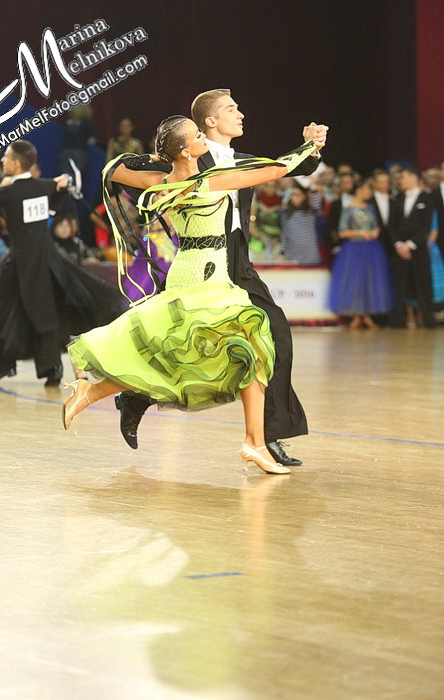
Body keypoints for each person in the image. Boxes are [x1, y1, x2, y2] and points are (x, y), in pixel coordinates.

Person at [63, 115, 326, 474]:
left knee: (178, 356)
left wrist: (154, 159)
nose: (204, 138)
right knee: (249, 350)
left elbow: (113, 168)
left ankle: (254, 443)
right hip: (209, 276)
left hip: (186, 270)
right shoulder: (212, 181)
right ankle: (254, 443)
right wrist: (310, 146)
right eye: (198, 135)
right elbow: (277, 169)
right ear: (188, 151)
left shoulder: (160, 182)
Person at [0, 140, 123, 385]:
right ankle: (53, 370)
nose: (2, 160)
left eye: (6, 157)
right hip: (47, 259)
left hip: (19, 260)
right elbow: (57, 194)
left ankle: (1, 367)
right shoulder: (44, 186)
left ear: (16, 163)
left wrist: (0, 189)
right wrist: (62, 183)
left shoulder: (9, 191)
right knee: (52, 313)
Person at [328, 179, 394, 329]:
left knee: (369, 280)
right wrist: (362, 233)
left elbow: (376, 225)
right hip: (354, 250)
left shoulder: (370, 208)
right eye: (367, 189)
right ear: (359, 190)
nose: (369, 193)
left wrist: (375, 232)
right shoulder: (349, 209)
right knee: (355, 281)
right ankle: (356, 316)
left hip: (371, 249)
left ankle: (367, 315)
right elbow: (342, 231)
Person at [389, 168, 436, 328]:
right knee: (400, 284)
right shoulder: (398, 199)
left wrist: (410, 245)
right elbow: (392, 225)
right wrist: (398, 244)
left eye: (403, 177)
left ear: (413, 178)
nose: (400, 180)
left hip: (418, 249)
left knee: (423, 284)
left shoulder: (427, 199)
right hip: (399, 249)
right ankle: (398, 320)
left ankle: (428, 320)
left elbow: (425, 227)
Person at [280, 183, 321, 265]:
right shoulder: (286, 214)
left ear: (303, 196)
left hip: (310, 254)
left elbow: (317, 205)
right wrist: (282, 252)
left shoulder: (310, 212)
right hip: (293, 254)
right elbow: (284, 234)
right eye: (292, 195)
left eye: (296, 195)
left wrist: (313, 189)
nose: (293, 197)